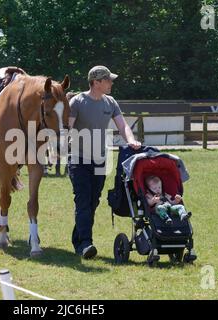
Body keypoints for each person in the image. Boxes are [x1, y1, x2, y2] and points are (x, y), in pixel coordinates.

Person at [68, 66, 141, 259]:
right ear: (96, 82)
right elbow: (67, 126)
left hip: (100, 160)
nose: (111, 83)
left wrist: (131, 140)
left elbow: (122, 124)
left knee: (93, 202)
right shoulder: (77, 102)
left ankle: (78, 239)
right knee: (83, 201)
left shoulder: (110, 103)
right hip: (79, 159)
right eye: (108, 80)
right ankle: (86, 244)